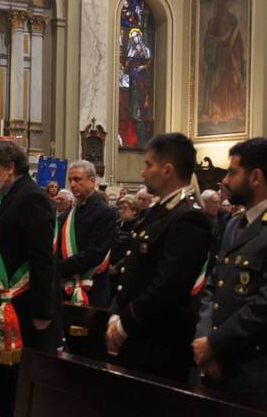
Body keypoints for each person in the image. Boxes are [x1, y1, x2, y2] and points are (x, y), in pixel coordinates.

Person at [106, 133, 211, 382]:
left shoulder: (188, 217)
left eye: (148, 164)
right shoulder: (160, 211)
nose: (143, 173)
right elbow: (132, 271)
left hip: (160, 343)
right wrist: (115, 313)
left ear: (167, 170)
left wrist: (125, 322)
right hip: (139, 337)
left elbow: (168, 286)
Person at [0, 140, 60, 417]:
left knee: (17, 383)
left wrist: (43, 312)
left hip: (22, 307)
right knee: (2, 382)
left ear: (10, 168)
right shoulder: (6, 196)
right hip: (2, 305)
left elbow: (43, 259)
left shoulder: (32, 197)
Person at [194, 138, 267, 405]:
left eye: (232, 172)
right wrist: (204, 338)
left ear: (256, 176)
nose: (224, 180)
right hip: (217, 364)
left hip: (255, 370)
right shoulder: (235, 224)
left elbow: (263, 305)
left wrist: (215, 344)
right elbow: (214, 284)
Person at [57, 160, 116, 307]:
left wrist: (57, 268)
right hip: (66, 286)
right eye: (70, 180)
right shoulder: (69, 213)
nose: (72, 184)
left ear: (91, 181)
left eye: (77, 179)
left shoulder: (104, 213)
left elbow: (95, 254)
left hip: (92, 289)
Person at [109, 195, 139, 295]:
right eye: (120, 208)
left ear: (134, 211)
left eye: (125, 208)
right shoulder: (117, 224)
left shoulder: (137, 227)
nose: (121, 211)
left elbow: (132, 251)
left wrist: (117, 266)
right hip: (109, 268)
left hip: (123, 270)